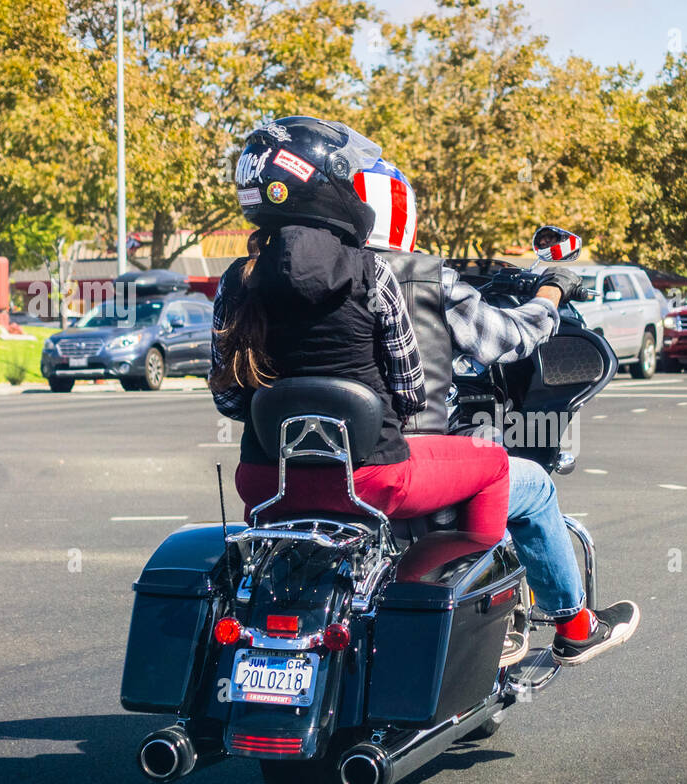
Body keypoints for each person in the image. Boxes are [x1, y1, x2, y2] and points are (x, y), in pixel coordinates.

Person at [212, 116, 637, 667]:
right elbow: (412, 389)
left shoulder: (236, 279)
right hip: (379, 474)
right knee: (509, 470)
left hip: (268, 480)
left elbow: (228, 398)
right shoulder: (381, 274)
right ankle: (562, 622)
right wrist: (552, 293)